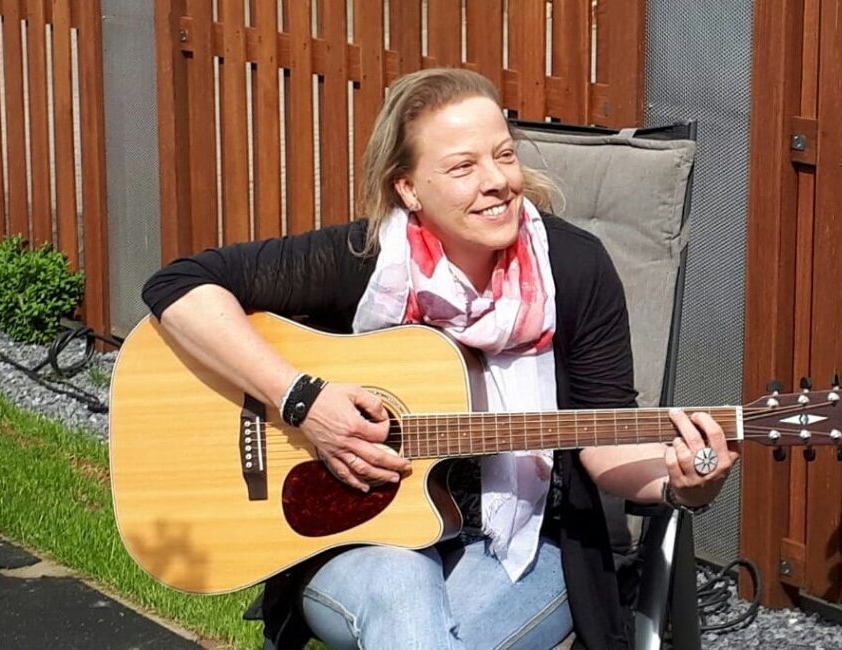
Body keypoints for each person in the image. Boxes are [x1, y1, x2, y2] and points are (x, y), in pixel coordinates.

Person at [142, 68, 739, 650]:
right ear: (408, 189)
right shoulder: (367, 261)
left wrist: (683, 485)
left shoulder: (575, 270)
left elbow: (604, 438)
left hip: (526, 545)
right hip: (358, 540)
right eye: (462, 167)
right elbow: (179, 286)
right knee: (400, 583)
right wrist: (303, 400)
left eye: (504, 156)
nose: (497, 181)